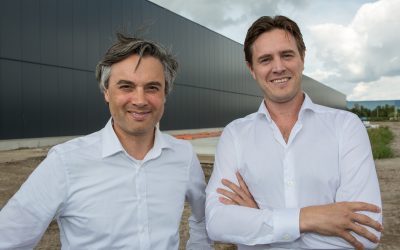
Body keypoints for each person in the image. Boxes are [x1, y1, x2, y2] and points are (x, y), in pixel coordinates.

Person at [0, 33, 212, 249]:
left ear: (165, 94)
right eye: (126, 86)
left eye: (152, 87)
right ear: (106, 92)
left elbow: (203, 218)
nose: (140, 100)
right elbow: (9, 238)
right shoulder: (65, 162)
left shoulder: (183, 155)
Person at [205, 15, 382, 250]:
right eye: (265, 59)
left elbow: (365, 232)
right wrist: (309, 218)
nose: (278, 67)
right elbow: (218, 223)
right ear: (251, 69)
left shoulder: (346, 127)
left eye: (286, 55)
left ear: (302, 58)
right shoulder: (235, 135)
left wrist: (260, 220)